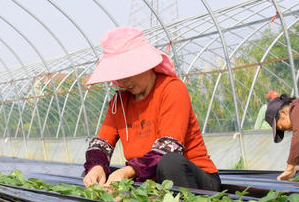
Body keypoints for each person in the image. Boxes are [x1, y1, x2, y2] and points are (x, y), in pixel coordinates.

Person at [82, 26, 220, 191]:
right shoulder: (119, 102)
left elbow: (169, 147)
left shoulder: (172, 89)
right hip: (148, 181)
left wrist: (128, 171)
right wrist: (96, 167)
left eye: (126, 73)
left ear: (144, 64)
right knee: (96, 177)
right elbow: (101, 144)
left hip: (193, 180)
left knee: (170, 163)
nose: (122, 81)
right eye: (118, 75)